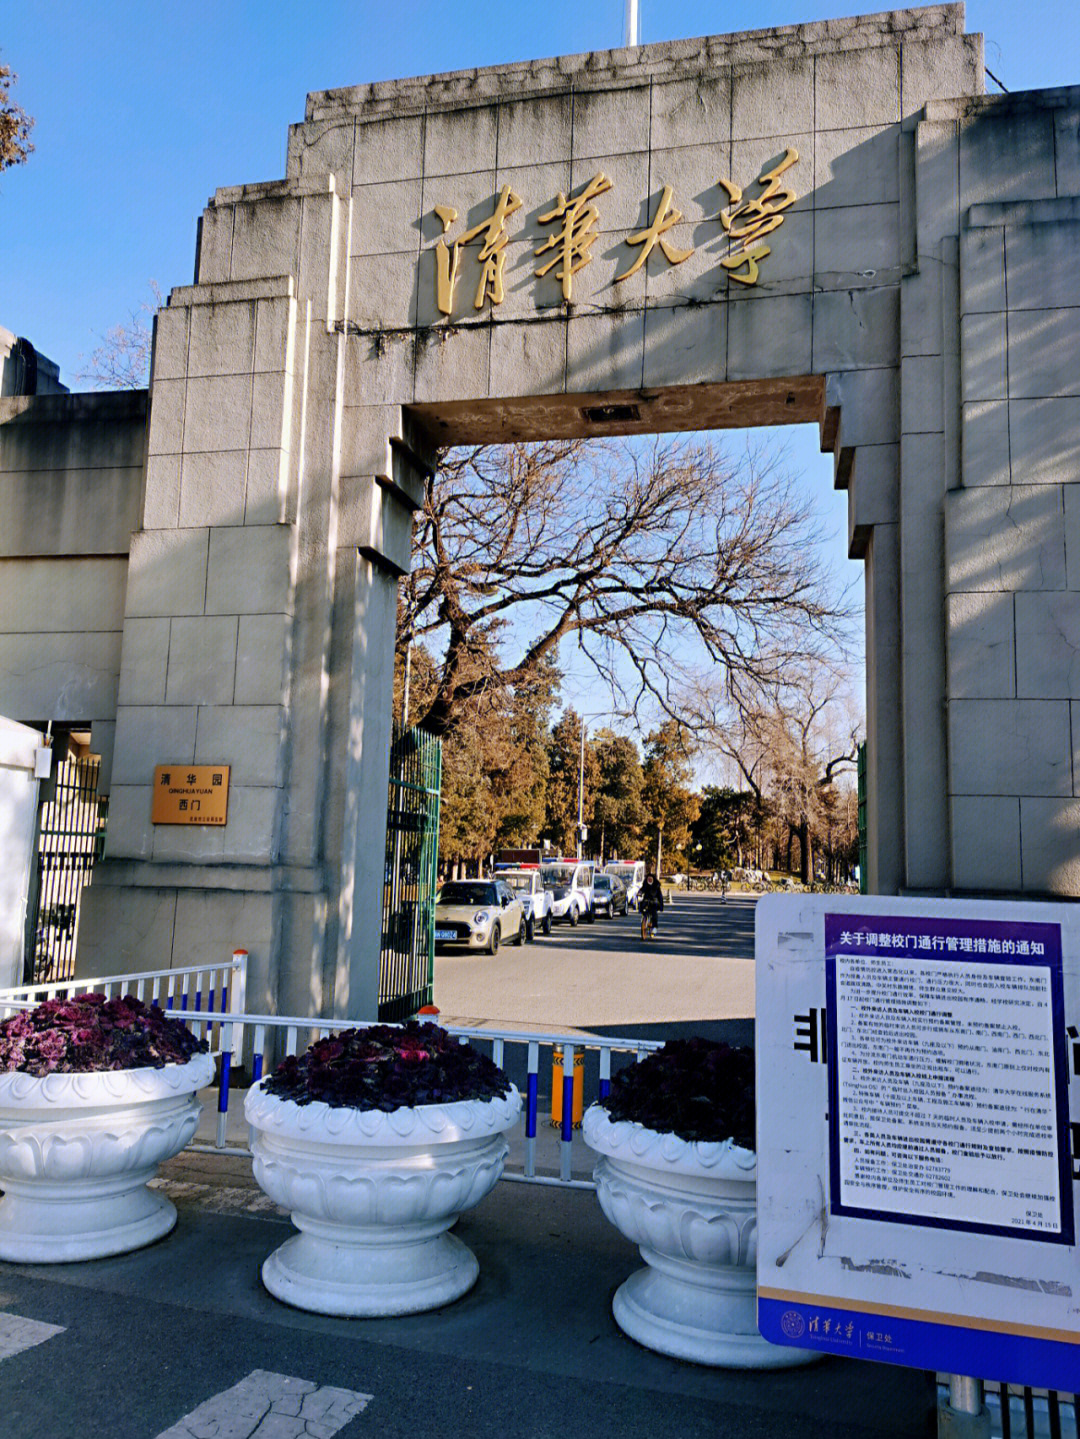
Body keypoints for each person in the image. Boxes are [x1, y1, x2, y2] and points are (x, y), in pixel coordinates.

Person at [639, 866, 664, 937]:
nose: (649, 880)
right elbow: (642, 889)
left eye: (650, 879)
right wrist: (639, 893)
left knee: (654, 915)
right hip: (646, 900)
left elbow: (660, 896)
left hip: (654, 902)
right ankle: (644, 921)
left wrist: (661, 905)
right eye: (648, 879)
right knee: (643, 907)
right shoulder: (645, 884)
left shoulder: (656, 886)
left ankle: (654, 927)